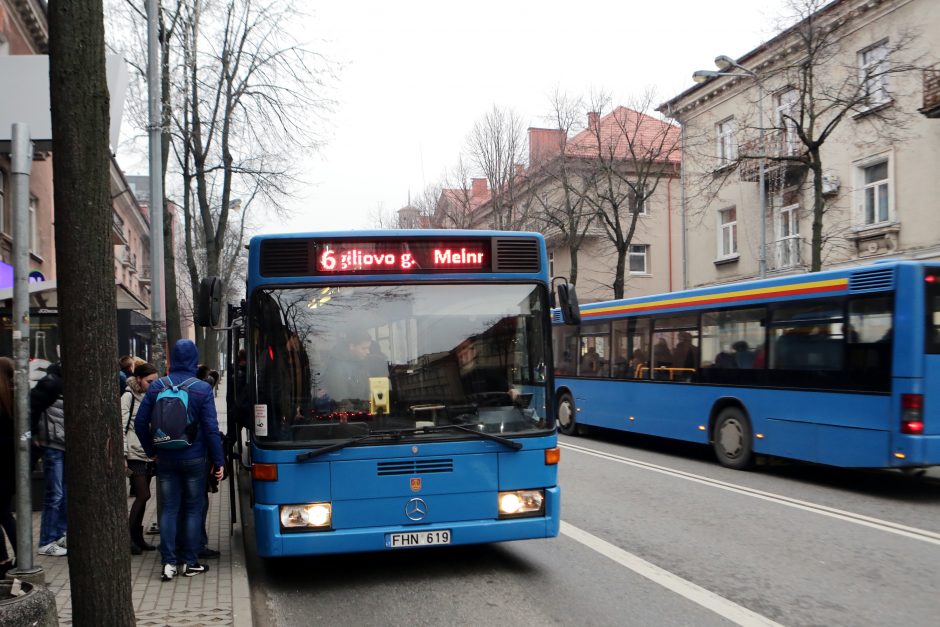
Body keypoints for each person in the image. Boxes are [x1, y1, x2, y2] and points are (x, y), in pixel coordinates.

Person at [135, 340, 225, 581]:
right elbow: (211, 428)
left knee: (168, 509)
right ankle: (190, 561)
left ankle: (168, 563)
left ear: (172, 360)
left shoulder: (157, 386)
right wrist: (219, 461)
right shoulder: (202, 388)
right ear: (194, 360)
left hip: (165, 458)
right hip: (195, 459)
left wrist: (151, 450)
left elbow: (140, 422)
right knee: (194, 509)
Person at [30, 362, 67, 557]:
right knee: (55, 494)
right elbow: (32, 408)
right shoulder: (52, 384)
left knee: (62, 494)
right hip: (53, 444)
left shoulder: (57, 382)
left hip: (60, 443)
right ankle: (46, 540)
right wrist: (35, 434)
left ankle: (57, 534)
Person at [123, 362, 159, 555]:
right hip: (134, 453)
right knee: (143, 494)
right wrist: (123, 454)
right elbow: (121, 425)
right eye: (149, 381)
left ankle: (138, 538)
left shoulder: (152, 396)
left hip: (149, 453)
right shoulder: (128, 396)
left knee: (143, 498)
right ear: (138, 379)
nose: (153, 385)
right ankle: (128, 538)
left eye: (155, 381)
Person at [0, 357, 17, 576]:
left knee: (2, 513)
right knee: (4, 513)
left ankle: (3, 560)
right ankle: (14, 557)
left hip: (4, 465)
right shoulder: (15, 398)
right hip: (10, 466)